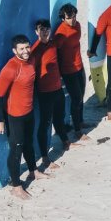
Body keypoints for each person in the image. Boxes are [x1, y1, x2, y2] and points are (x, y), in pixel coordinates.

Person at [0, 34, 49, 200]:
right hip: (15, 116)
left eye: (27, 47)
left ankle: (33, 171)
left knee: (29, 144)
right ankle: (16, 186)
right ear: (14, 50)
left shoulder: (31, 60)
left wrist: (40, 38)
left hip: (29, 112)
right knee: (16, 149)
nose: (25, 51)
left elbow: (40, 47)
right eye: (22, 49)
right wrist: (0, 120)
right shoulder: (10, 68)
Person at [31, 19, 71, 170]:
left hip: (57, 89)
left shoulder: (54, 44)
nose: (45, 32)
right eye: (41, 29)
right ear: (36, 32)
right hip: (45, 92)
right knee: (45, 124)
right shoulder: (34, 50)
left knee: (59, 118)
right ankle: (45, 157)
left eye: (47, 29)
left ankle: (65, 142)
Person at [55, 3, 89, 142]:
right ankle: (77, 131)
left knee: (81, 95)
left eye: (74, 17)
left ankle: (80, 121)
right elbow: (55, 54)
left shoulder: (78, 26)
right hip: (68, 71)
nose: (73, 20)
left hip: (79, 66)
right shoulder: (60, 34)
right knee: (76, 99)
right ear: (63, 18)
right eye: (69, 18)